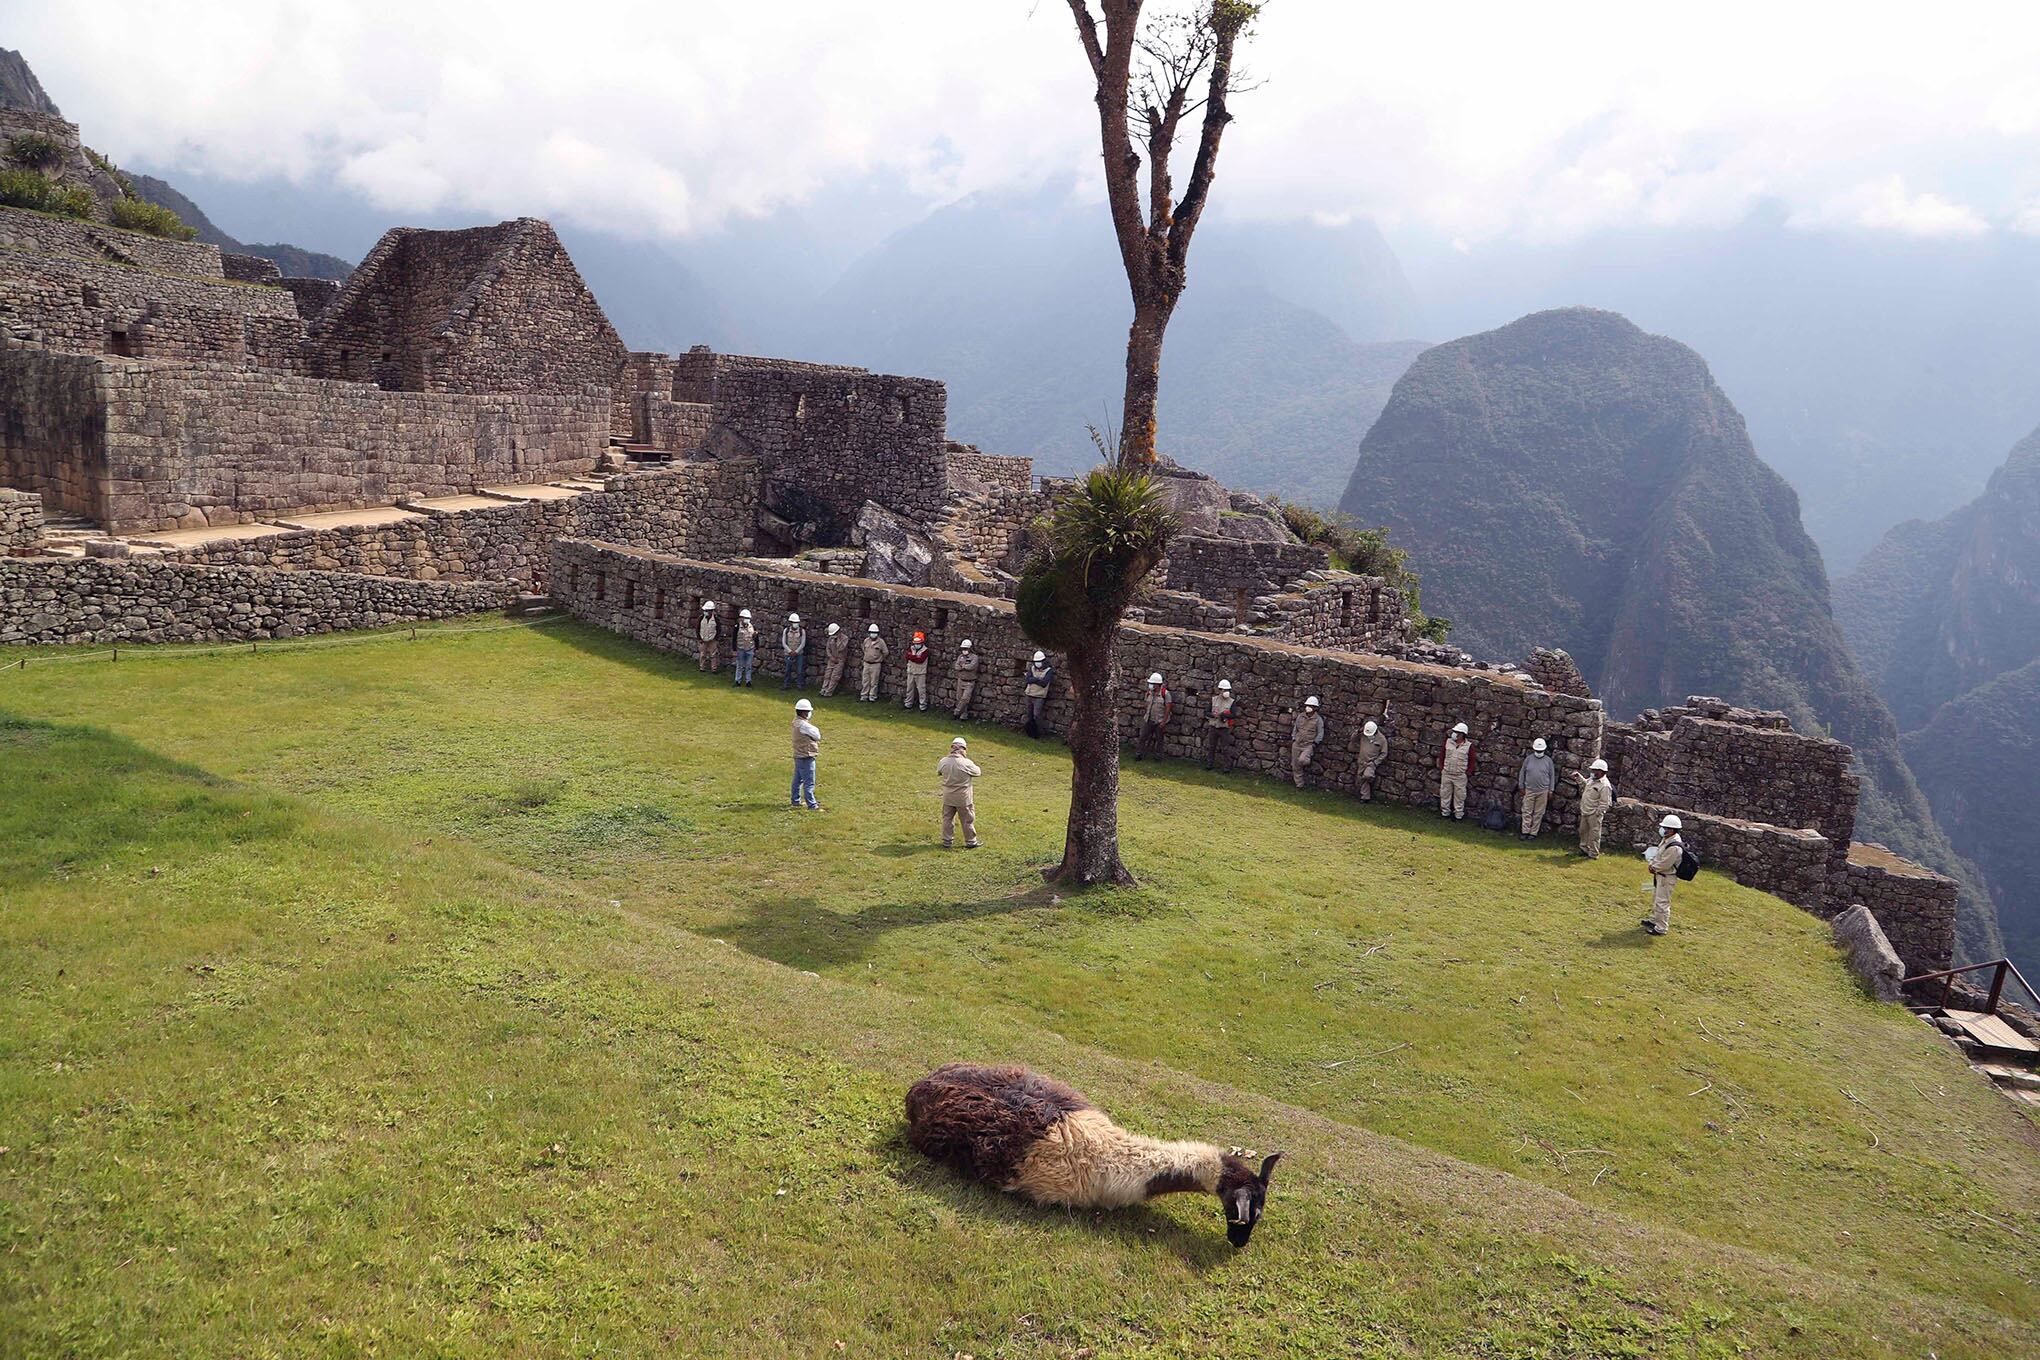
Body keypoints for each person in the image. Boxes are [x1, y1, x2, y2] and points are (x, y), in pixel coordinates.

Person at [937, 735, 983, 849]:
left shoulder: (943, 761)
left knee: (947, 818)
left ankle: (947, 841)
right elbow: (978, 772)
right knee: (967, 819)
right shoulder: (966, 763)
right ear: (963, 749)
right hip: (963, 797)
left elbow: (939, 772)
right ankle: (971, 841)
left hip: (948, 796)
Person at [1643, 813, 1684, 935]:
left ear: (1673, 830)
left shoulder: (1674, 847)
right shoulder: (1667, 840)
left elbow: (1665, 864)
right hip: (1661, 875)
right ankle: (1655, 920)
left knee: (1662, 902)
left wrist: (1653, 867)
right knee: (1656, 898)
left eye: (1667, 828)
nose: (1664, 830)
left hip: (1666, 877)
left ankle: (1661, 928)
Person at [1516, 736, 1556, 840]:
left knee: (1538, 813)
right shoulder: (1528, 759)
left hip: (1543, 791)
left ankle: (1533, 833)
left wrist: (1551, 790)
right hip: (1529, 789)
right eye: (1537, 750)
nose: (1539, 752)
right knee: (1526, 811)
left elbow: (1552, 776)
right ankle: (1525, 831)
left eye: (1541, 750)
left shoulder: (1548, 761)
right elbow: (1522, 772)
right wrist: (1521, 786)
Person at [1576, 758, 1614, 858]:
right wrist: (1579, 778)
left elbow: (1605, 803)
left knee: (1594, 834)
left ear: (1602, 772)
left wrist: (1598, 813)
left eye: (1595, 770)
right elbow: (1585, 784)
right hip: (1585, 810)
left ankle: (1593, 853)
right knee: (1583, 831)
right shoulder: (1592, 780)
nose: (1593, 772)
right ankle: (1583, 849)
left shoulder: (1605, 785)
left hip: (1594, 813)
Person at [1438, 721, 1475, 820]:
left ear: (1462, 735)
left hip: (1460, 775)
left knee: (1460, 796)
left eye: (1457, 732)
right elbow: (1442, 756)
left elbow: (1472, 760)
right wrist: (1442, 768)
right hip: (1447, 773)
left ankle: (1458, 815)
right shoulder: (1448, 742)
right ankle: (1445, 813)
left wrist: (1468, 772)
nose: (1454, 734)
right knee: (1445, 793)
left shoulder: (1469, 746)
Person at [789, 698, 821, 811]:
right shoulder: (804, 725)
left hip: (798, 755)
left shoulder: (795, 722)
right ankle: (812, 805)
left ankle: (795, 800)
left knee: (797, 780)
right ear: (804, 712)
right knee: (809, 782)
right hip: (806, 756)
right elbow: (817, 735)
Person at [1134, 672, 1173, 760]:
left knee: (1159, 739)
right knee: (1143, 737)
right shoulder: (1149, 693)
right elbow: (1146, 704)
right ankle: (1139, 754)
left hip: (1159, 721)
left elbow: (1168, 708)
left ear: (1158, 684)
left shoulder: (1165, 694)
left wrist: (1164, 721)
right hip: (1148, 719)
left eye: (1153, 684)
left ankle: (1158, 756)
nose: (1151, 685)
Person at [1356, 706, 1392, 802]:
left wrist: (1375, 762)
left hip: (1371, 763)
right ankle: (1365, 797)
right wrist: (1357, 732)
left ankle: (1365, 794)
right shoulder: (1362, 734)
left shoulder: (1382, 739)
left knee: (1367, 776)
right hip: (1361, 761)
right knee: (1361, 779)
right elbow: (1352, 739)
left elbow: (1384, 753)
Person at [1290, 696, 1325, 789]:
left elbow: (1320, 733)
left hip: (1308, 745)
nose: (1308, 707)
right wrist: (1294, 738)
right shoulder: (1300, 716)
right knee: (1295, 765)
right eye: (1307, 705)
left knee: (1302, 760)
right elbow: (1295, 728)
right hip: (1297, 743)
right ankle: (1299, 784)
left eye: (1310, 706)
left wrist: (1315, 743)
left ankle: (1308, 762)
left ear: (1315, 708)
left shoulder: (1318, 719)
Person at [1203, 678, 1237, 770]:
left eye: (1227, 690)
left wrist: (1224, 715)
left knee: (1225, 748)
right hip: (1213, 726)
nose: (1226, 692)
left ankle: (1227, 766)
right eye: (1224, 690)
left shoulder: (1232, 701)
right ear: (1220, 690)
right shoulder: (1214, 700)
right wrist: (1213, 715)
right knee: (1211, 746)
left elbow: (1234, 714)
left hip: (1224, 728)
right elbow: (1206, 712)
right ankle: (1209, 764)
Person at [1022, 651, 1055, 737]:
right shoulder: (1032, 668)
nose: (1037, 664)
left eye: (1039, 662)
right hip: (1029, 694)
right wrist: (1037, 679)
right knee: (1029, 715)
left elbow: (1044, 683)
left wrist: (1034, 679)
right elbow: (1028, 680)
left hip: (1039, 697)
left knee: (1037, 715)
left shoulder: (1049, 671)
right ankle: (1030, 732)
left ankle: (1039, 732)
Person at [902, 630, 932, 710]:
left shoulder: (925, 650)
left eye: (918, 643)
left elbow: (921, 660)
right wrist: (915, 657)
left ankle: (923, 706)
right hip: (911, 671)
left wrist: (912, 657)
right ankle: (908, 704)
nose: (916, 645)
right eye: (915, 643)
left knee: (921, 690)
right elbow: (907, 656)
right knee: (909, 689)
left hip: (920, 673)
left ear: (922, 643)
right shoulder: (911, 648)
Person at [952, 639, 982, 719]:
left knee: (965, 699)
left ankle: (956, 712)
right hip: (960, 680)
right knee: (959, 698)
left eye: (966, 649)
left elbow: (971, 667)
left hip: (970, 682)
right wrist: (964, 666)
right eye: (963, 649)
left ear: (970, 649)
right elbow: (956, 667)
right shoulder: (960, 656)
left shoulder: (974, 657)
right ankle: (963, 715)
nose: (964, 650)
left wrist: (963, 666)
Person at [859, 624, 888, 702]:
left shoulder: (881, 642)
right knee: (865, 681)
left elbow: (885, 652)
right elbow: (863, 649)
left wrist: (879, 659)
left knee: (874, 681)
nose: (873, 634)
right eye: (872, 632)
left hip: (876, 664)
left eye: (875, 632)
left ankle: (872, 696)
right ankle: (864, 695)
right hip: (866, 663)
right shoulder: (866, 640)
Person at [779, 612, 808, 690]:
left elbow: (803, 643)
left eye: (796, 622)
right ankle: (786, 685)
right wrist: (790, 651)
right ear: (791, 623)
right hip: (788, 654)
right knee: (787, 670)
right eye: (794, 622)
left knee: (799, 671)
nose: (795, 624)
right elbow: (784, 642)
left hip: (799, 654)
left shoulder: (802, 631)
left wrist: (796, 652)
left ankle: (800, 686)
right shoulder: (786, 630)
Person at [820, 622, 849, 697]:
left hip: (840, 660)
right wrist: (831, 657)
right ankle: (823, 689)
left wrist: (838, 640)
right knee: (827, 675)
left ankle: (829, 692)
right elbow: (828, 648)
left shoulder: (845, 638)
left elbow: (841, 648)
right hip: (832, 659)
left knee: (835, 677)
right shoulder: (831, 638)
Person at [733, 607, 758, 686]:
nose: (746, 619)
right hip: (740, 648)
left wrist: (757, 647)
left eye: (748, 618)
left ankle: (748, 681)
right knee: (740, 666)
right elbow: (734, 638)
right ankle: (738, 681)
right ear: (741, 618)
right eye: (745, 618)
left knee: (748, 666)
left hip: (750, 649)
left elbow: (756, 637)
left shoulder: (752, 627)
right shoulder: (737, 627)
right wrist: (734, 649)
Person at [696, 600, 721, 673]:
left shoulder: (716, 619)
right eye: (705, 610)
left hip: (712, 640)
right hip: (703, 639)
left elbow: (719, 629)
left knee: (713, 655)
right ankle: (702, 668)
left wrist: (716, 639)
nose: (705, 612)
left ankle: (714, 669)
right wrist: (699, 638)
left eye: (707, 610)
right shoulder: (701, 618)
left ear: (711, 611)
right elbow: (697, 628)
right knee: (702, 654)